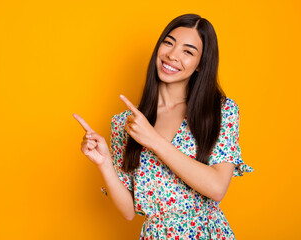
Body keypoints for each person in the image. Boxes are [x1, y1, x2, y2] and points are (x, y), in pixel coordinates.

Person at [73, 13, 254, 240]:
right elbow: (129, 212)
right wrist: (105, 163)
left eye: (188, 52)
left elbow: (217, 187)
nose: (172, 55)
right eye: (168, 43)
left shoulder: (219, 111)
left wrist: (155, 141)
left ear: (200, 65)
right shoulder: (127, 123)